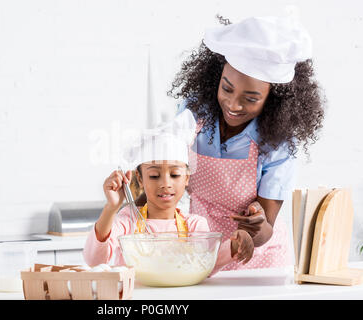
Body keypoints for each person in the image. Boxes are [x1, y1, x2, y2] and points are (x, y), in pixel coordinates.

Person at [162, 15, 326, 270]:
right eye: (226, 89)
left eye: (250, 99)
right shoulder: (193, 114)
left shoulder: (276, 143)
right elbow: (164, 166)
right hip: (202, 251)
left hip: (258, 261)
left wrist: (257, 228)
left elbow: (266, 227)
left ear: (272, 100)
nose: (233, 105)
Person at [83, 110, 254, 274]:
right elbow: (95, 261)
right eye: (154, 175)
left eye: (174, 174)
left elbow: (204, 264)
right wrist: (111, 208)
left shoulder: (194, 226)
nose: (165, 183)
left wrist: (234, 246)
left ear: (187, 178)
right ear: (140, 179)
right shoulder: (129, 220)